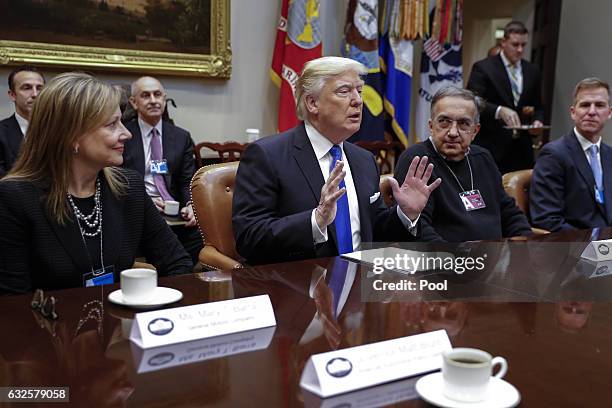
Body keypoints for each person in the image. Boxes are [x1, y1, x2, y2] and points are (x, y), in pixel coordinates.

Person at [232, 56, 441, 265]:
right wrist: (316, 221)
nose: (358, 100)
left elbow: (374, 230)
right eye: (344, 91)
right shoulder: (267, 155)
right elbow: (249, 237)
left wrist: (405, 214)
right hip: (301, 285)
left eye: (359, 91)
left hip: (361, 283)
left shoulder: (364, 160)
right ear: (312, 103)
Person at [0, 72, 192, 295]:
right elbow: (11, 303)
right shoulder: (15, 198)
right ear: (71, 135)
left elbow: (179, 264)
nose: (126, 134)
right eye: (112, 124)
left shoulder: (128, 187)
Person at [394, 86, 532, 242]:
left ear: (475, 131)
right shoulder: (417, 160)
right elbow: (416, 227)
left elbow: (509, 213)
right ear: (431, 126)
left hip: (494, 259)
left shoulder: (483, 157)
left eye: (463, 124)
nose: (453, 132)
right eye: (444, 122)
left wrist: (527, 245)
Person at [122, 76, 202, 264]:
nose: (153, 100)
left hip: (174, 214)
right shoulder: (124, 135)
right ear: (134, 102)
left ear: (164, 99)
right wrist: (145, 200)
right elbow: (117, 180)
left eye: (157, 95)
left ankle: (179, 277)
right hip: (139, 211)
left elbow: (187, 180)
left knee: (203, 233)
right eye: (146, 95)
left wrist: (192, 205)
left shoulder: (181, 136)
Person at [530, 78, 612, 231]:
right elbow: (547, 219)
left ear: (609, 113)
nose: (592, 112)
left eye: (600, 105)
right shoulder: (553, 155)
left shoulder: (610, 155)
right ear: (573, 113)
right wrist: (597, 248)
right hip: (578, 247)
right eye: (585, 105)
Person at [467, 21, 544, 173]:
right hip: (491, 145)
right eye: (515, 45)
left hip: (522, 149)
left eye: (523, 45)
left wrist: (537, 121)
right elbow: (473, 100)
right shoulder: (484, 67)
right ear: (503, 42)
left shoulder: (532, 70)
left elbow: (538, 106)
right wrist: (499, 110)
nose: (520, 50)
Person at [0, 66, 45, 178]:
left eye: (39, 88)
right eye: (27, 88)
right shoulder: (1, 132)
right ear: (12, 95)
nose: (35, 94)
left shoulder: (59, 130)